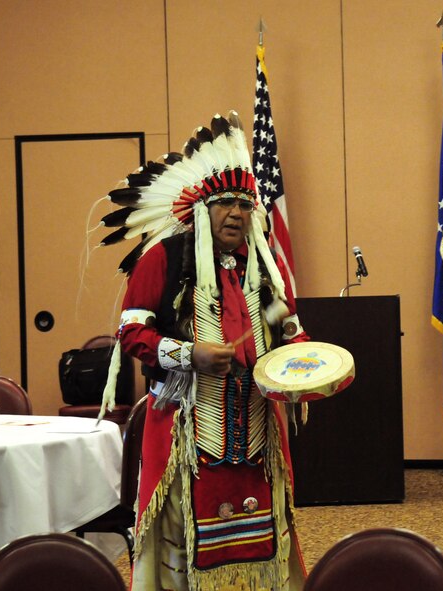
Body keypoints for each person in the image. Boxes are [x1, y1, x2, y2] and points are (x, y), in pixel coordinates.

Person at [97, 111, 309, 591]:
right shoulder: (165, 260)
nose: (236, 213)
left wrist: (303, 368)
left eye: (244, 204)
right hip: (186, 434)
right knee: (181, 541)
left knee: (264, 536)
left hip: (256, 432)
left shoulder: (264, 268)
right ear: (201, 209)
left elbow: (289, 332)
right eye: (225, 203)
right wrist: (190, 354)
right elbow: (132, 337)